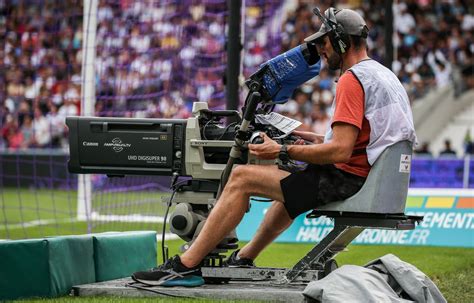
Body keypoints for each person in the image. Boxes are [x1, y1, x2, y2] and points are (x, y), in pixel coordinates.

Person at [132, 7, 417, 287]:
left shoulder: (351, 80)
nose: (321, 49)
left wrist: (280, 150)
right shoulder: (382, 75)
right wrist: (308, 139)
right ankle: (244, 257)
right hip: (365, 177)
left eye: (325, 41)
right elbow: (362, 142)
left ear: (341, 40)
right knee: (290, 187)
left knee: (242, 177)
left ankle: (185, 266)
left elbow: (341, 151)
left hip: (347, 180)